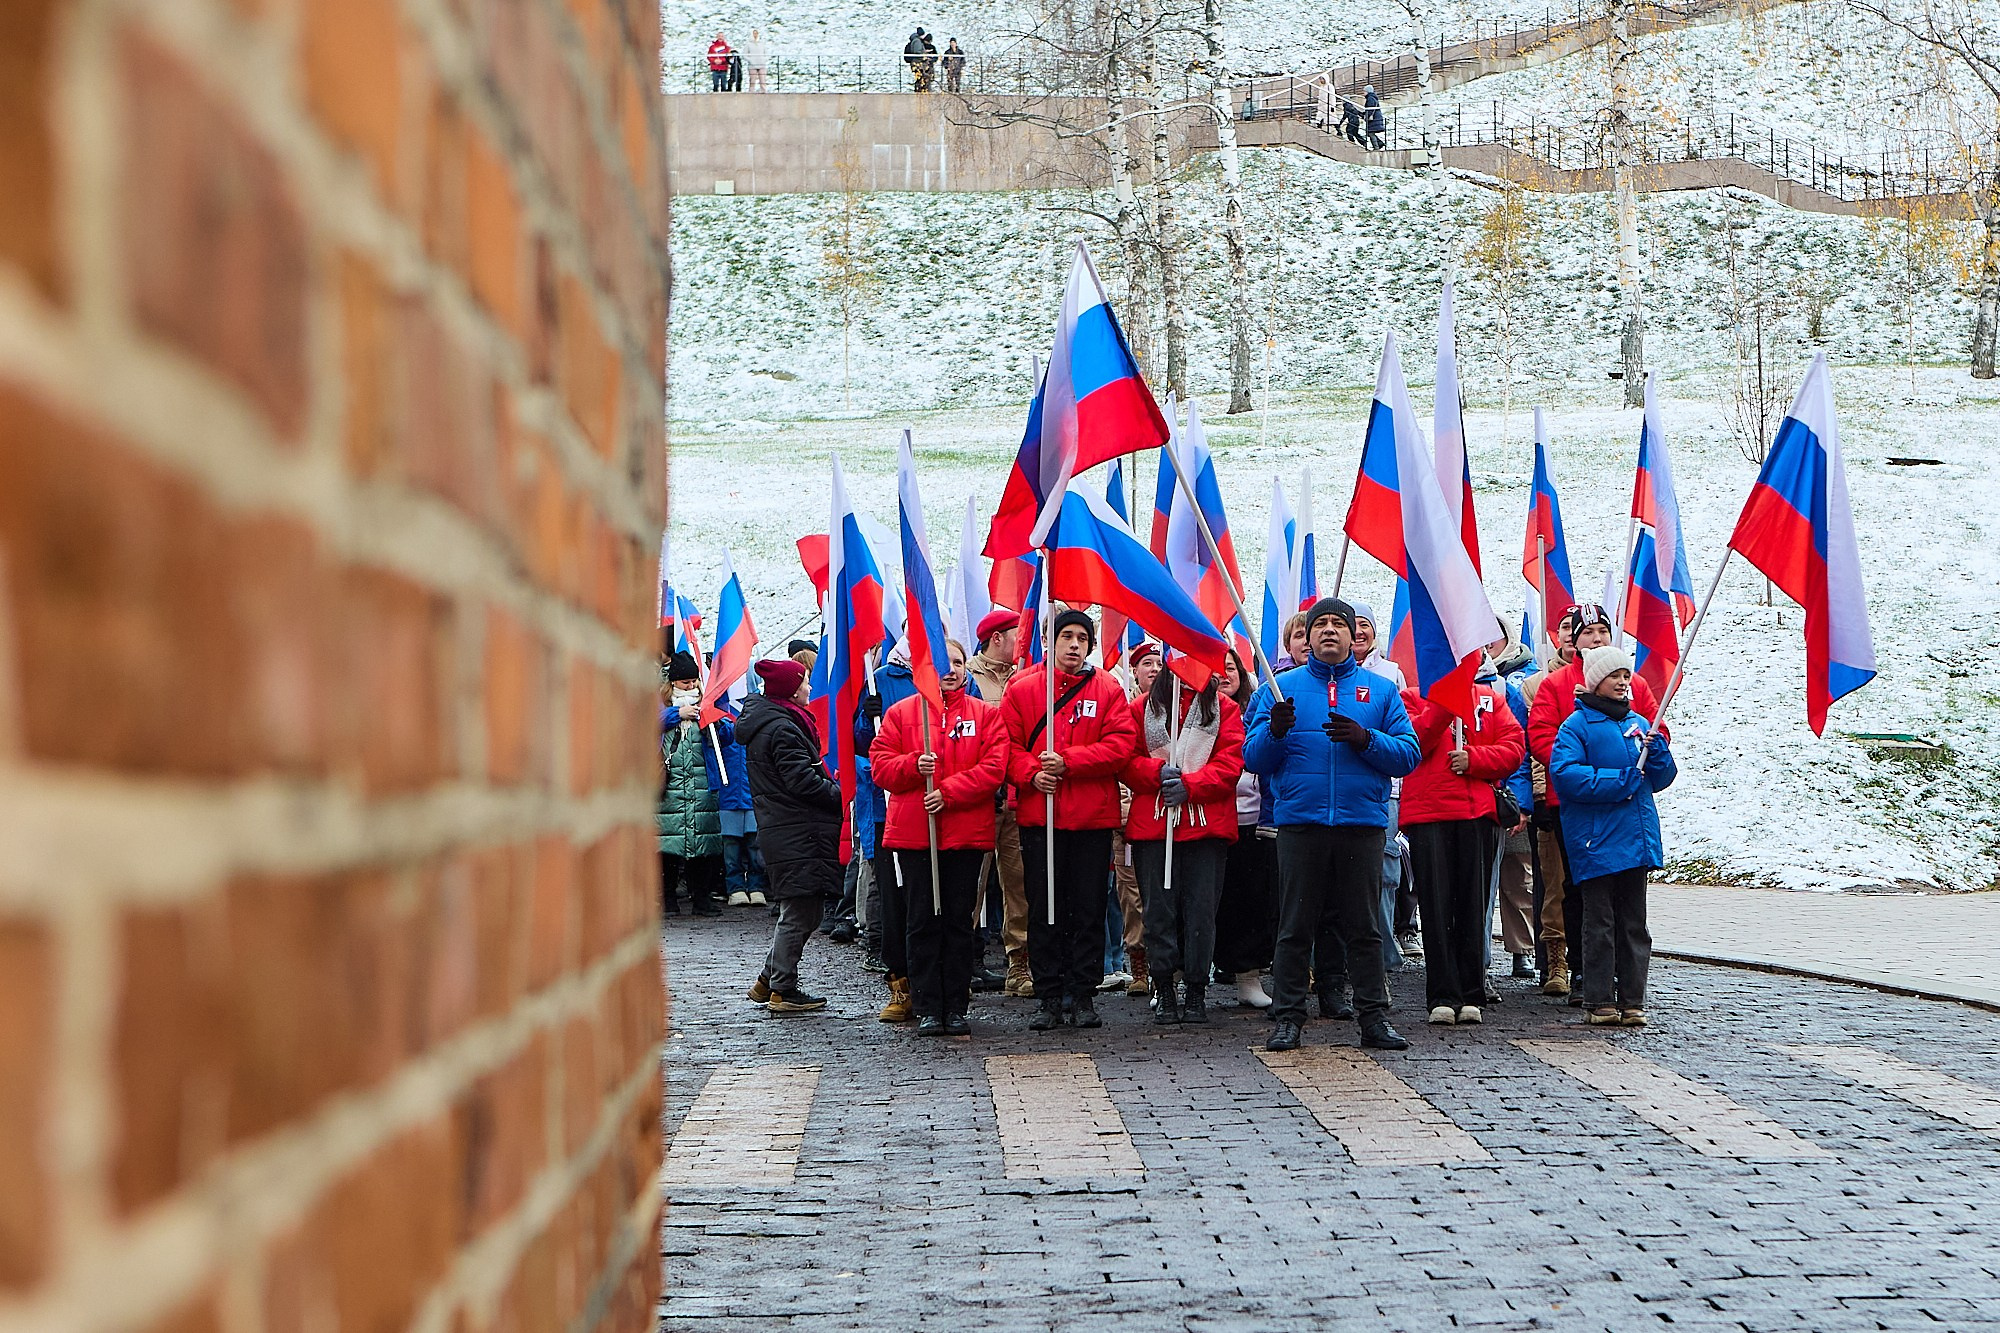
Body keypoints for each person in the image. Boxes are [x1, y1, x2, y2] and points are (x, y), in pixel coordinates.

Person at [1242, 598, 1419, 1052]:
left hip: (1361, 823)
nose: (1327, 632)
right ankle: (1288, 1018)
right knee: (1295, 926)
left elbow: (1408, 754)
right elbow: (1254, 758)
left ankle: (1373, 1018)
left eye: (1336, 624)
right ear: (1308, 635)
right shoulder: (1279, 690)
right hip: (1302, 823)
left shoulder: (1380, 692)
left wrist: (1367, 739)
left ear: (1351, 634)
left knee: (1363, 927)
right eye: (1318, 624)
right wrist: (1275, 731)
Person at [1000, 610, 1138, 1030]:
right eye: (1067, 637)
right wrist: (1031, 773)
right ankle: (1048, 994)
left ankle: (1083, 993)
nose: (1075, 645)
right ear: (1050, 640)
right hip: (1040, 819)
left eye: (1082, 638)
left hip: (1091, 818)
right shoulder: (1023, 689)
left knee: (1088, 908)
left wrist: (1068, 762)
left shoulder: (1108, 688)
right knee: (1043, 907)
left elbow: (1121, 745)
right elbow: (1003, 746)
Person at [870, 641, 1008, 1036]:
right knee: (922, 921)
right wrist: (914, 765)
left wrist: (949, 792)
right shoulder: (900, 715)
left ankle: (957, 1004)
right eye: (941, 663)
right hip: (916, 836)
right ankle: (929, 1004)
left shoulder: (985, 715)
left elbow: (994, 768)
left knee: (959, 923)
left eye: (958, 662)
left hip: (965, 836)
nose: (950, 669)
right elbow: (880, 767)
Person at [1527, 603, 1663, 1003]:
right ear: (1573, 639)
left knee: (1626, 905)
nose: (1596, 638)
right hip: (1573, 804)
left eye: (1603, 630)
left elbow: (1657, 729)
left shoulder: (1633, 683)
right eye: (1588, 632)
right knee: (1574, 891)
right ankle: (1580, 969)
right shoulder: (1555, 687)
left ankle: (1625, 980)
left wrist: (1648, 759)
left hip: (1626, 809)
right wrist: (1594, 773)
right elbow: (1543, 741)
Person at [1549, 646, 1677, 1027]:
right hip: (1596, 840)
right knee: (1599, 922)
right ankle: (1600, 998)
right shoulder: (1575, 727)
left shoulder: (1637, 724)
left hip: (1634, 840)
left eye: (1626, 676)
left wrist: (1658, 756)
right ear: (1595, 682)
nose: (1623, 682)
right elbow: (1567, 775)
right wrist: (1617, 782)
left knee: (1634, 923)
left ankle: (1633, 999)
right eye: (1614, 676)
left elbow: (1661, 779)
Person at [1398, 658, 1526, 1026]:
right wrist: (1445, 703)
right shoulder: (1410, 699)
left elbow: (1514, 748)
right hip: (1429, 814)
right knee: (1436, 907)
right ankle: (1441, 993)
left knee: (1473, 903)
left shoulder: (1490, 699)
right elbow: (1414, 743)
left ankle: (1471, 993)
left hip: (1476, 815)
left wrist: (1474, 759)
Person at [1123, 656, 1246, 1024]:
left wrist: (1190, 785)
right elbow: (1125, 758)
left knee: (1200, 914)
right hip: (1155, 827)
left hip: (1205, 827)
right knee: (1158, 914)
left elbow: (1230, 763)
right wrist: (1158, 773)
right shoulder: (1141, 708)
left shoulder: (1223, 708)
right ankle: (1164, 989)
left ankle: (1195, 989)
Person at [740, 658, 842, 1013]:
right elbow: (802, 781)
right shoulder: (782, 728)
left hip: (788, 828)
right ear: (792, 689)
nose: (810, 689)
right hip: (797, 829)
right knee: (801, 911)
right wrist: (840, 794)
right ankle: (783, 987)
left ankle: (768, 980)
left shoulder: (772, 722)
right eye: (806, 683)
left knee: (804, 909)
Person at [966, 609, 1032, 995]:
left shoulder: (1026, 678)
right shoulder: (968, 677)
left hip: (1016, 797)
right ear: (996, 639)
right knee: (971, 883)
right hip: (978, 798)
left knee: (1019, 883)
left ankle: (1019, 965)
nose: (1022, 644)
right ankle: (963, 960)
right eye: (1016, 636)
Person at [1350, 601, 1415, 969]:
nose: (1359, 632)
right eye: (1353, 624)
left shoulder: (1391, 673)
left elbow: (1402, 733)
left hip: (1387, 789)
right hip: (1346, 788)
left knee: (1388, 869)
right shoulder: (1326, 676)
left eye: (1365, 625)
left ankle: (1384, 949)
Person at [1212, 652, 1277, 1008]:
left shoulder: (1255, 709)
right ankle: (1176, 981)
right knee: (1201, 904)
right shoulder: (1197, 710)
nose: (1224, 674)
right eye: (1216, 668)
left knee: (1248, 903)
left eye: (1231, 668)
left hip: (1251, 821)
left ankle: (1247, 979)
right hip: (1205, 821)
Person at [658, 653, 724, 917]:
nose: (691, 687)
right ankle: (668, 899)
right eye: (685, 682)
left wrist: (712, 723)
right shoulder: (660, 706)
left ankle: (702, 898)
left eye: (694, 681)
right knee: (667, 846)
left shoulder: (707, 705)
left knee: (703, 845)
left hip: (701, 787)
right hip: (668, 785)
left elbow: (727, 737)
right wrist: (676, 714)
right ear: (672, 683)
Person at [706, 696, 767, 909]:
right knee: (730, 849)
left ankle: (756, 886)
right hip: (728, 796)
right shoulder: (723, 724)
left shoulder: (758, 725)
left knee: (754, 846)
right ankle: (735, 888)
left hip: (751, 795)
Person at [743, 28, 769, 92]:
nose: (755, 35)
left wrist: (764, 60)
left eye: (756, 33)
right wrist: (750, 60)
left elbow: (767, 54)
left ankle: (763, 91)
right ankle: (751, 92)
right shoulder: (748, 44)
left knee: (763, 80)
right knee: (752, 80)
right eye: (754, 33)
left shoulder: (762, 43)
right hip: (752, 65)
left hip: (762, 64)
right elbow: (744, 54)